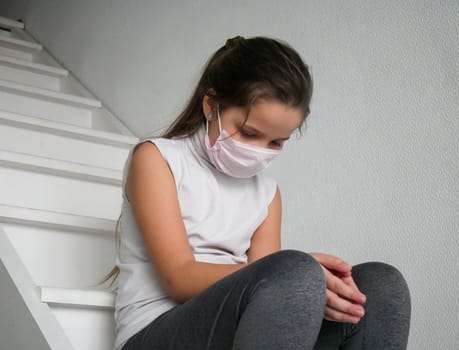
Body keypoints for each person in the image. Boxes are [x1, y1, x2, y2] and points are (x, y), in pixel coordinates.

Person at [111, 36, 411, 350]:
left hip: (244, 332)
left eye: (276, 142)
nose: (259, 152)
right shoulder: (157, 159)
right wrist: (296, 276)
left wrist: (319, 289)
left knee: (381, 285)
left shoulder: (267, 194)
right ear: (211, 106)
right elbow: (179, 278)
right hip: (154, 333)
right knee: (295, 271)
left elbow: (275, 300)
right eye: (250, 133)